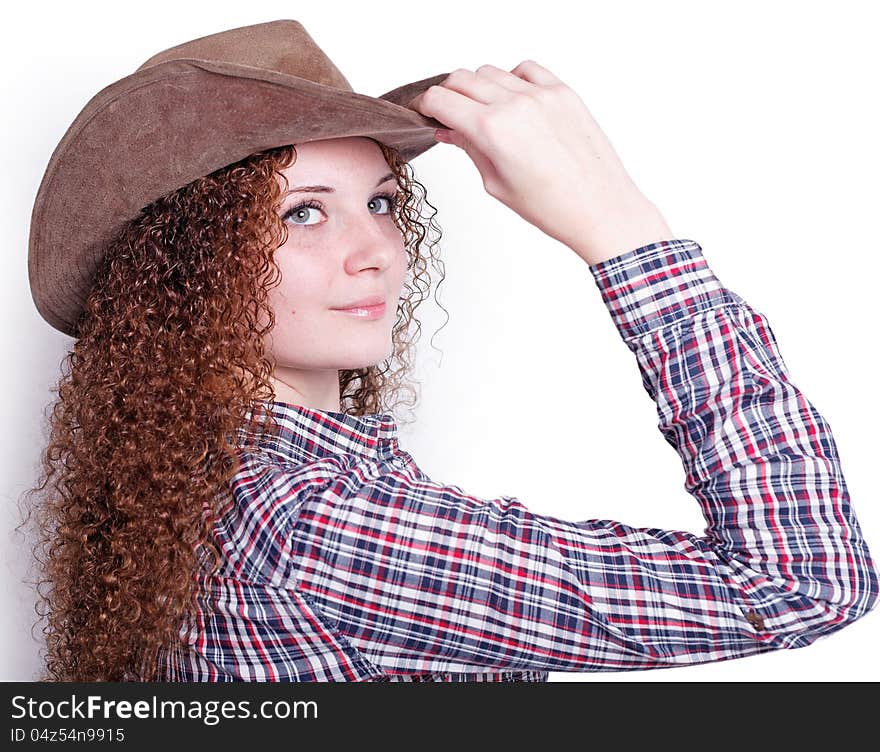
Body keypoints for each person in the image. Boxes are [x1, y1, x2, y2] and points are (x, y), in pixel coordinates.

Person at [22, 20, 878, 682]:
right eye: (303, 213)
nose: (376, 252)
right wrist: (621, 229)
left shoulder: (220, 479)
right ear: (181, 269)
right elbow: (802, 581)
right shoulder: (305, 524)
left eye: (384, 204)